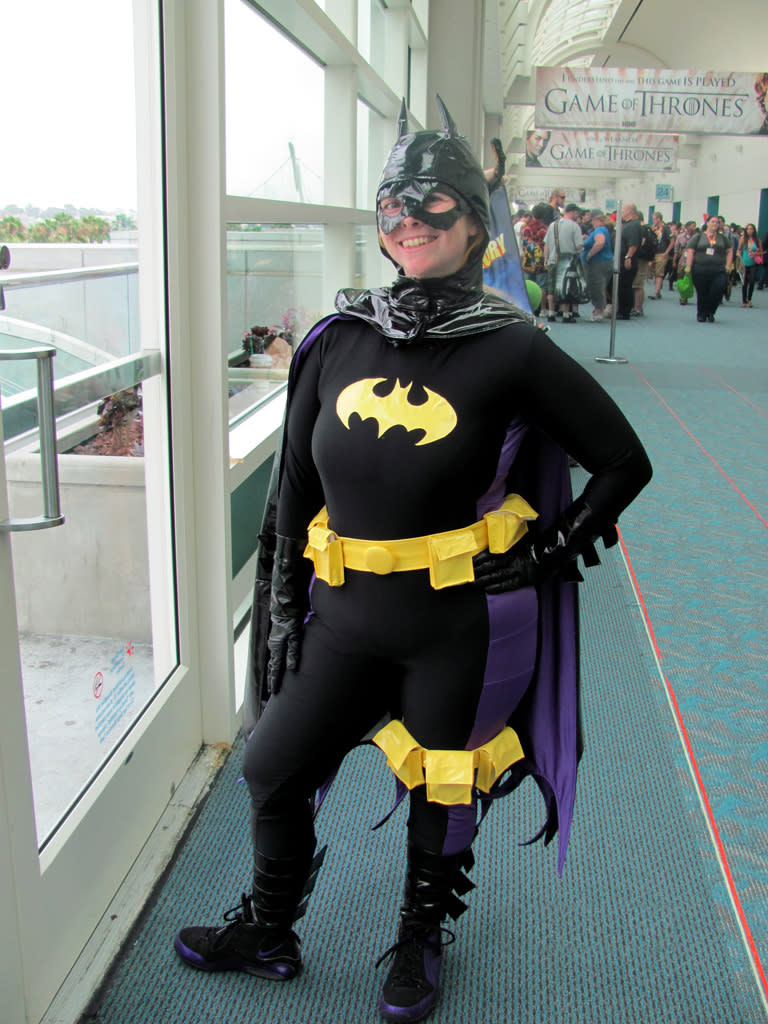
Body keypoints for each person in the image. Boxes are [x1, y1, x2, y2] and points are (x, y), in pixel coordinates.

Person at [173, 99, 652, 1024]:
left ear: (476, 222)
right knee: (271, 769)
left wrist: (547, 553)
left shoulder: (509, 347)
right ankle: (271, 930)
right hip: (344, 619)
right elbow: (292, 501)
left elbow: (624, 462)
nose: (409, 223)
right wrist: (279, 621)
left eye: (434, 207)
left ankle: (421, 935)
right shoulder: (337, 337)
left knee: (442, 783)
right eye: (394, 205)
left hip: (454, 627)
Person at [683, 214, 733, 322]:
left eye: (717, 222)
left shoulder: (722, 238)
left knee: (718, 290)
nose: (715, 224)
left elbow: (730, 251)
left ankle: (711, 311)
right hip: (700, 268)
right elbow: (690, 251)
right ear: (707, 223)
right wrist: (688, 266)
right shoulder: (698, 236)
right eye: (713, 222)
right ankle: (701, 313)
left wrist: (728, 265)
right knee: (702, 292)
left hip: (718, 269)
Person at [543, 202, 583, 323]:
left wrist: (546, 259)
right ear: (573, 212)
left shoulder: (552, 225)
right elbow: (579, 246)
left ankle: (551, 313)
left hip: (552, 260)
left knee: (551, 287)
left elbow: (547, 244)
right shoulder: (574, 226)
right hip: (568, 261)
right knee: (566, 286)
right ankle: (566, 314)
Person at [581, 210, 613, 321]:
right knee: (598, 285)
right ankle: (598, 308)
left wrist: (589, 254)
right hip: (602, 262)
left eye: (592, 221)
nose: (591, 224)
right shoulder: (602, 230)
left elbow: (600, 242)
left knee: (596, 285)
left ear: (597, 220)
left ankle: (599, 311)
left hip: (597, 262)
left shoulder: (599, 229)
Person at [617, 203, 641, 319]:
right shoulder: (629, 225)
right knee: (623, 286)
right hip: (624, 259)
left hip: (628, 260)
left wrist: (628, 257)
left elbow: (634, 243)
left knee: (625, 287)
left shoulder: (633, 226)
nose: (621, 213)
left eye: (623, 210)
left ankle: (624, 312)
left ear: (629, 211)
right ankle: (623, 310)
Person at [649, 211, 673, 300]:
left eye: (654, 219)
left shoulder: (666, 228)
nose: (653, 221)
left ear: (659, 219)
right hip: (653, 253)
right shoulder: (653, 228)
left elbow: (672, 241)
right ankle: (658, 288)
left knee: (659, 273)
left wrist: (666, 252)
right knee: (654, 272)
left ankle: (657, 291)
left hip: (661, 253)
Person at [738, 223, 763, 307]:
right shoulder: (742, 239)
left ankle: (749, 299)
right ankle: (744, 301)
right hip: (744, 263)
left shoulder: (757, 240)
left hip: (753, 263)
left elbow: (762, 252)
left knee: (752, 281)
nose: (750, 230)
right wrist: (738, 257)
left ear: (754, 230)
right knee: (744, 282)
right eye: (748, 229)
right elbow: (739, 250)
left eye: (751, 229)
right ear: (746, 230)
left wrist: (755, 253)